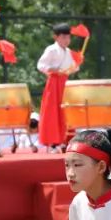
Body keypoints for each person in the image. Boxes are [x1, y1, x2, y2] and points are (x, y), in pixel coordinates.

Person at [36, 23, 77, 151]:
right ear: (56, 37)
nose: (66, 40)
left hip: (65, 82)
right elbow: (40, 65)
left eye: (68, 37)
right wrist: (51, 69)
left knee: (66, 111)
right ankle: (53, 141)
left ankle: (66, 140)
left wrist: (78, 62)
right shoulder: (51, 50)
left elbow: (73, 68)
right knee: (52, 111)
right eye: (63, 37)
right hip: (54, 82)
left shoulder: (69, 52)